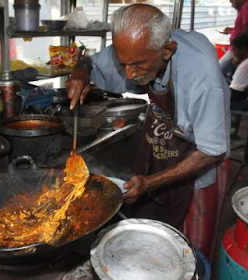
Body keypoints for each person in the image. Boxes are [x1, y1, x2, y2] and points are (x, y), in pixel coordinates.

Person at [66, 3, 230, 262]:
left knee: (187, 252)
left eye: (138, 64)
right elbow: (91, 60)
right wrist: (80, 70)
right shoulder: (135, 47)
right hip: (161, 144)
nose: (129, 74)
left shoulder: (202, 76)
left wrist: (151, 183)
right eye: (124, 64)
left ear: (167, 51)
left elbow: (212, 150)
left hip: (200, 160)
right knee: (148, 240)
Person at [219, 0, 248, 77]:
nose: (230, 1)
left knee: (217, 71)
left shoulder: (246, 7)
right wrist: (232, 30)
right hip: (236, 50)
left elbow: (246, 32)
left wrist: (238, 56)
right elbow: (242, 28)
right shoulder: (243, 8)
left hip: (236, 51)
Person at [230, 33, 248, 111]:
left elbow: (234, 93)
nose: (233, 53)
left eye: (234, 50)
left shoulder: (245, 66)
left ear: (243, 49)